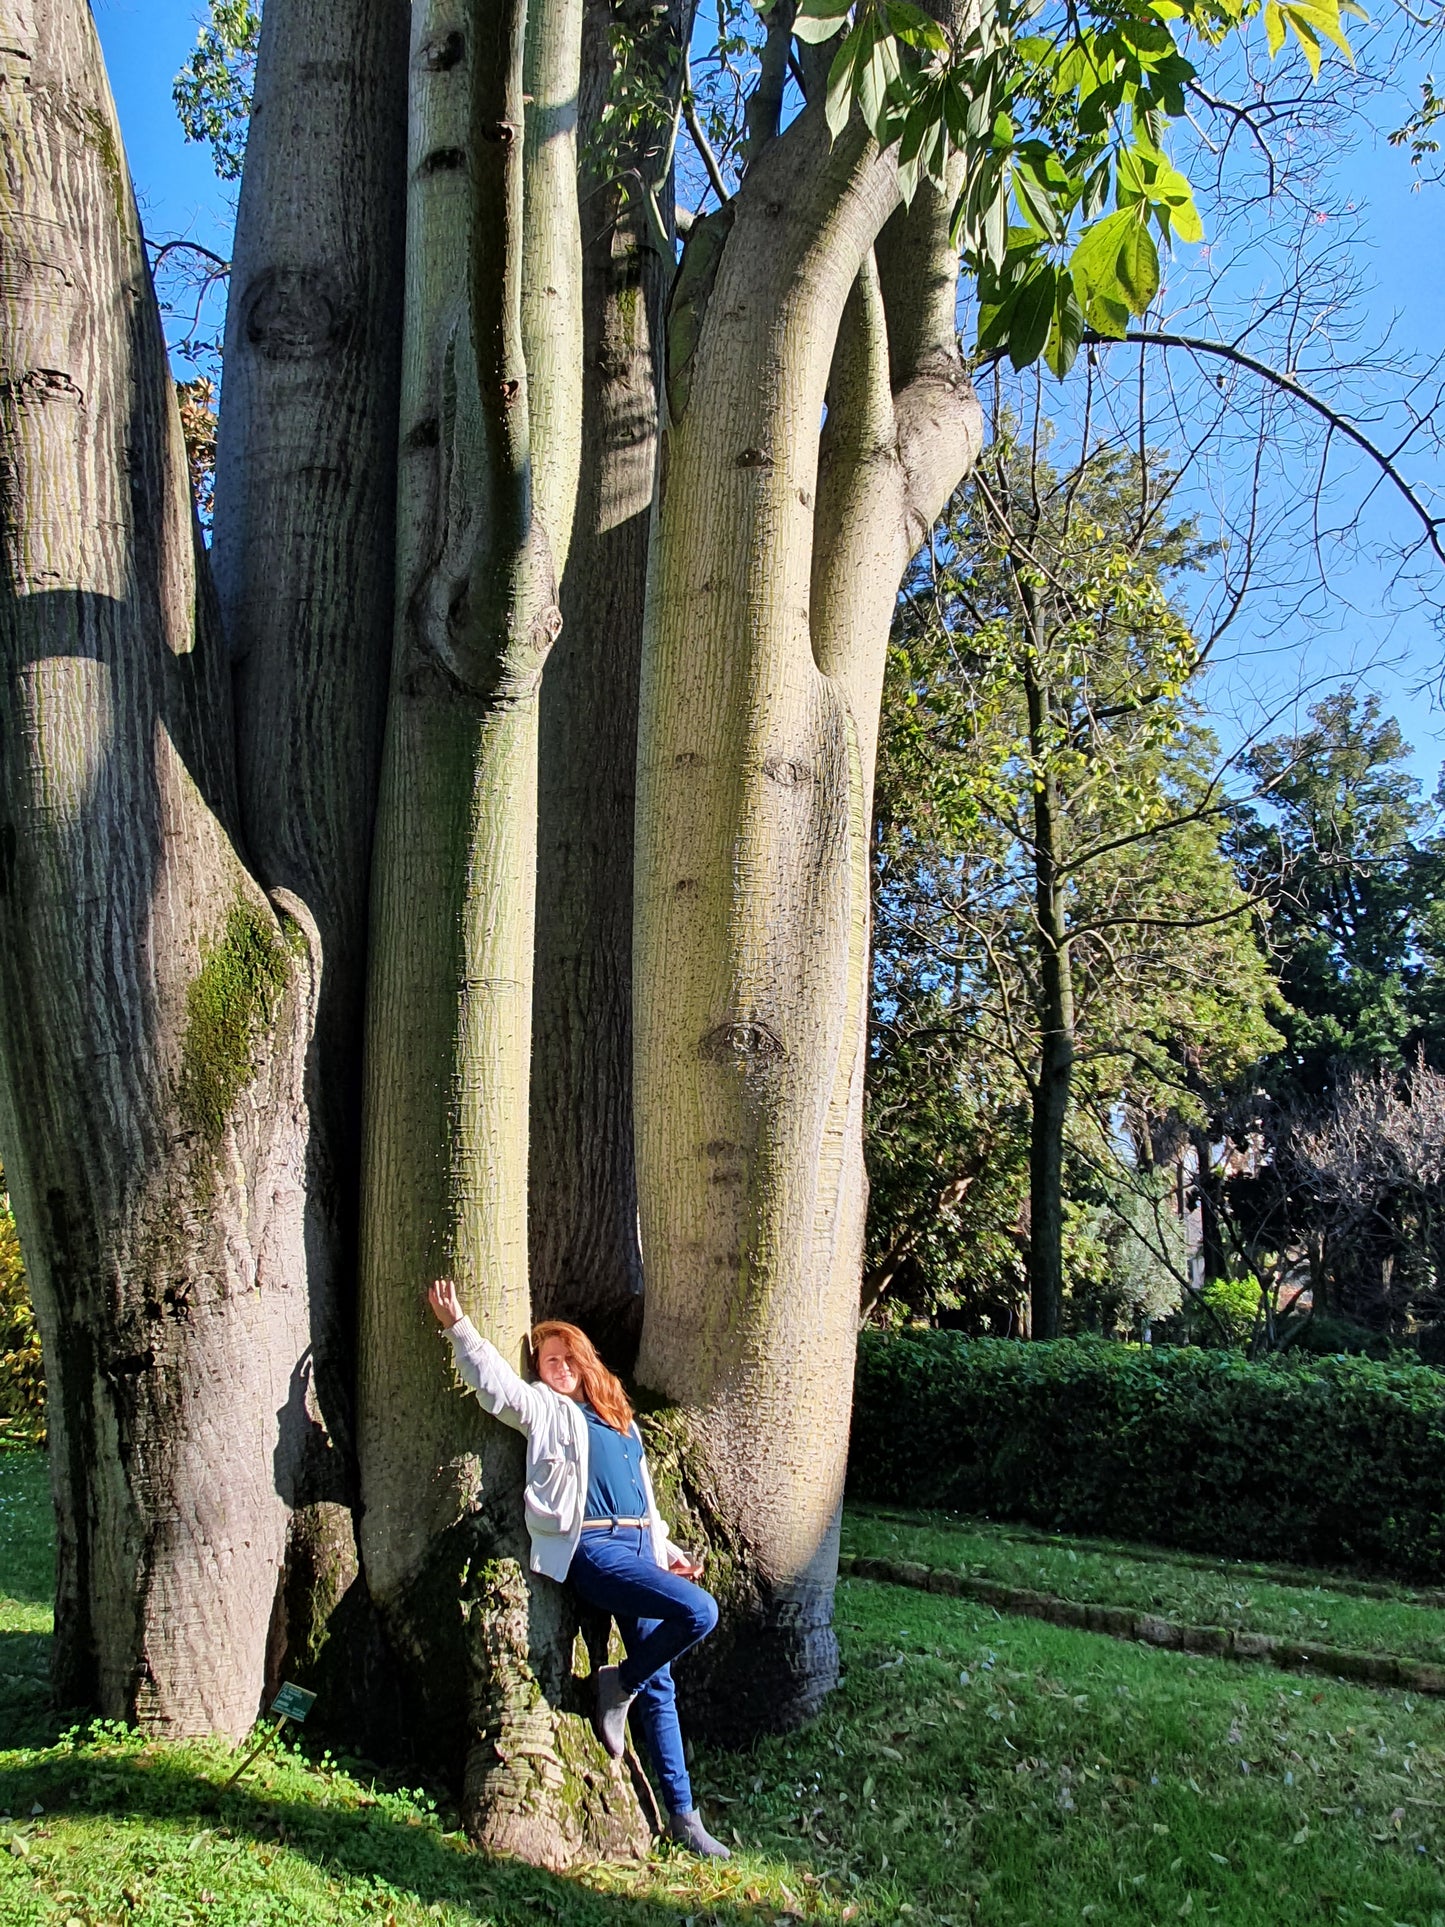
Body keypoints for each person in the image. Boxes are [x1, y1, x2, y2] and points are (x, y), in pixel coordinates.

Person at [427, 1278, 730, 1859]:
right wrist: (459, 1328)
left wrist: (667, 1553)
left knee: (661, 1681)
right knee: (700, 1611)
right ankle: (616, 1683)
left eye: (567, 1358)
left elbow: (643, 1496)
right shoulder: (547, 1409)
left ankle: (684, 1816)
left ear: (584, 1360)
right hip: (592, 1550)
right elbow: (496, 1389)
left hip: (640, 1546)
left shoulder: (620, 1420)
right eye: (548, 1361)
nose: (559, 1368)